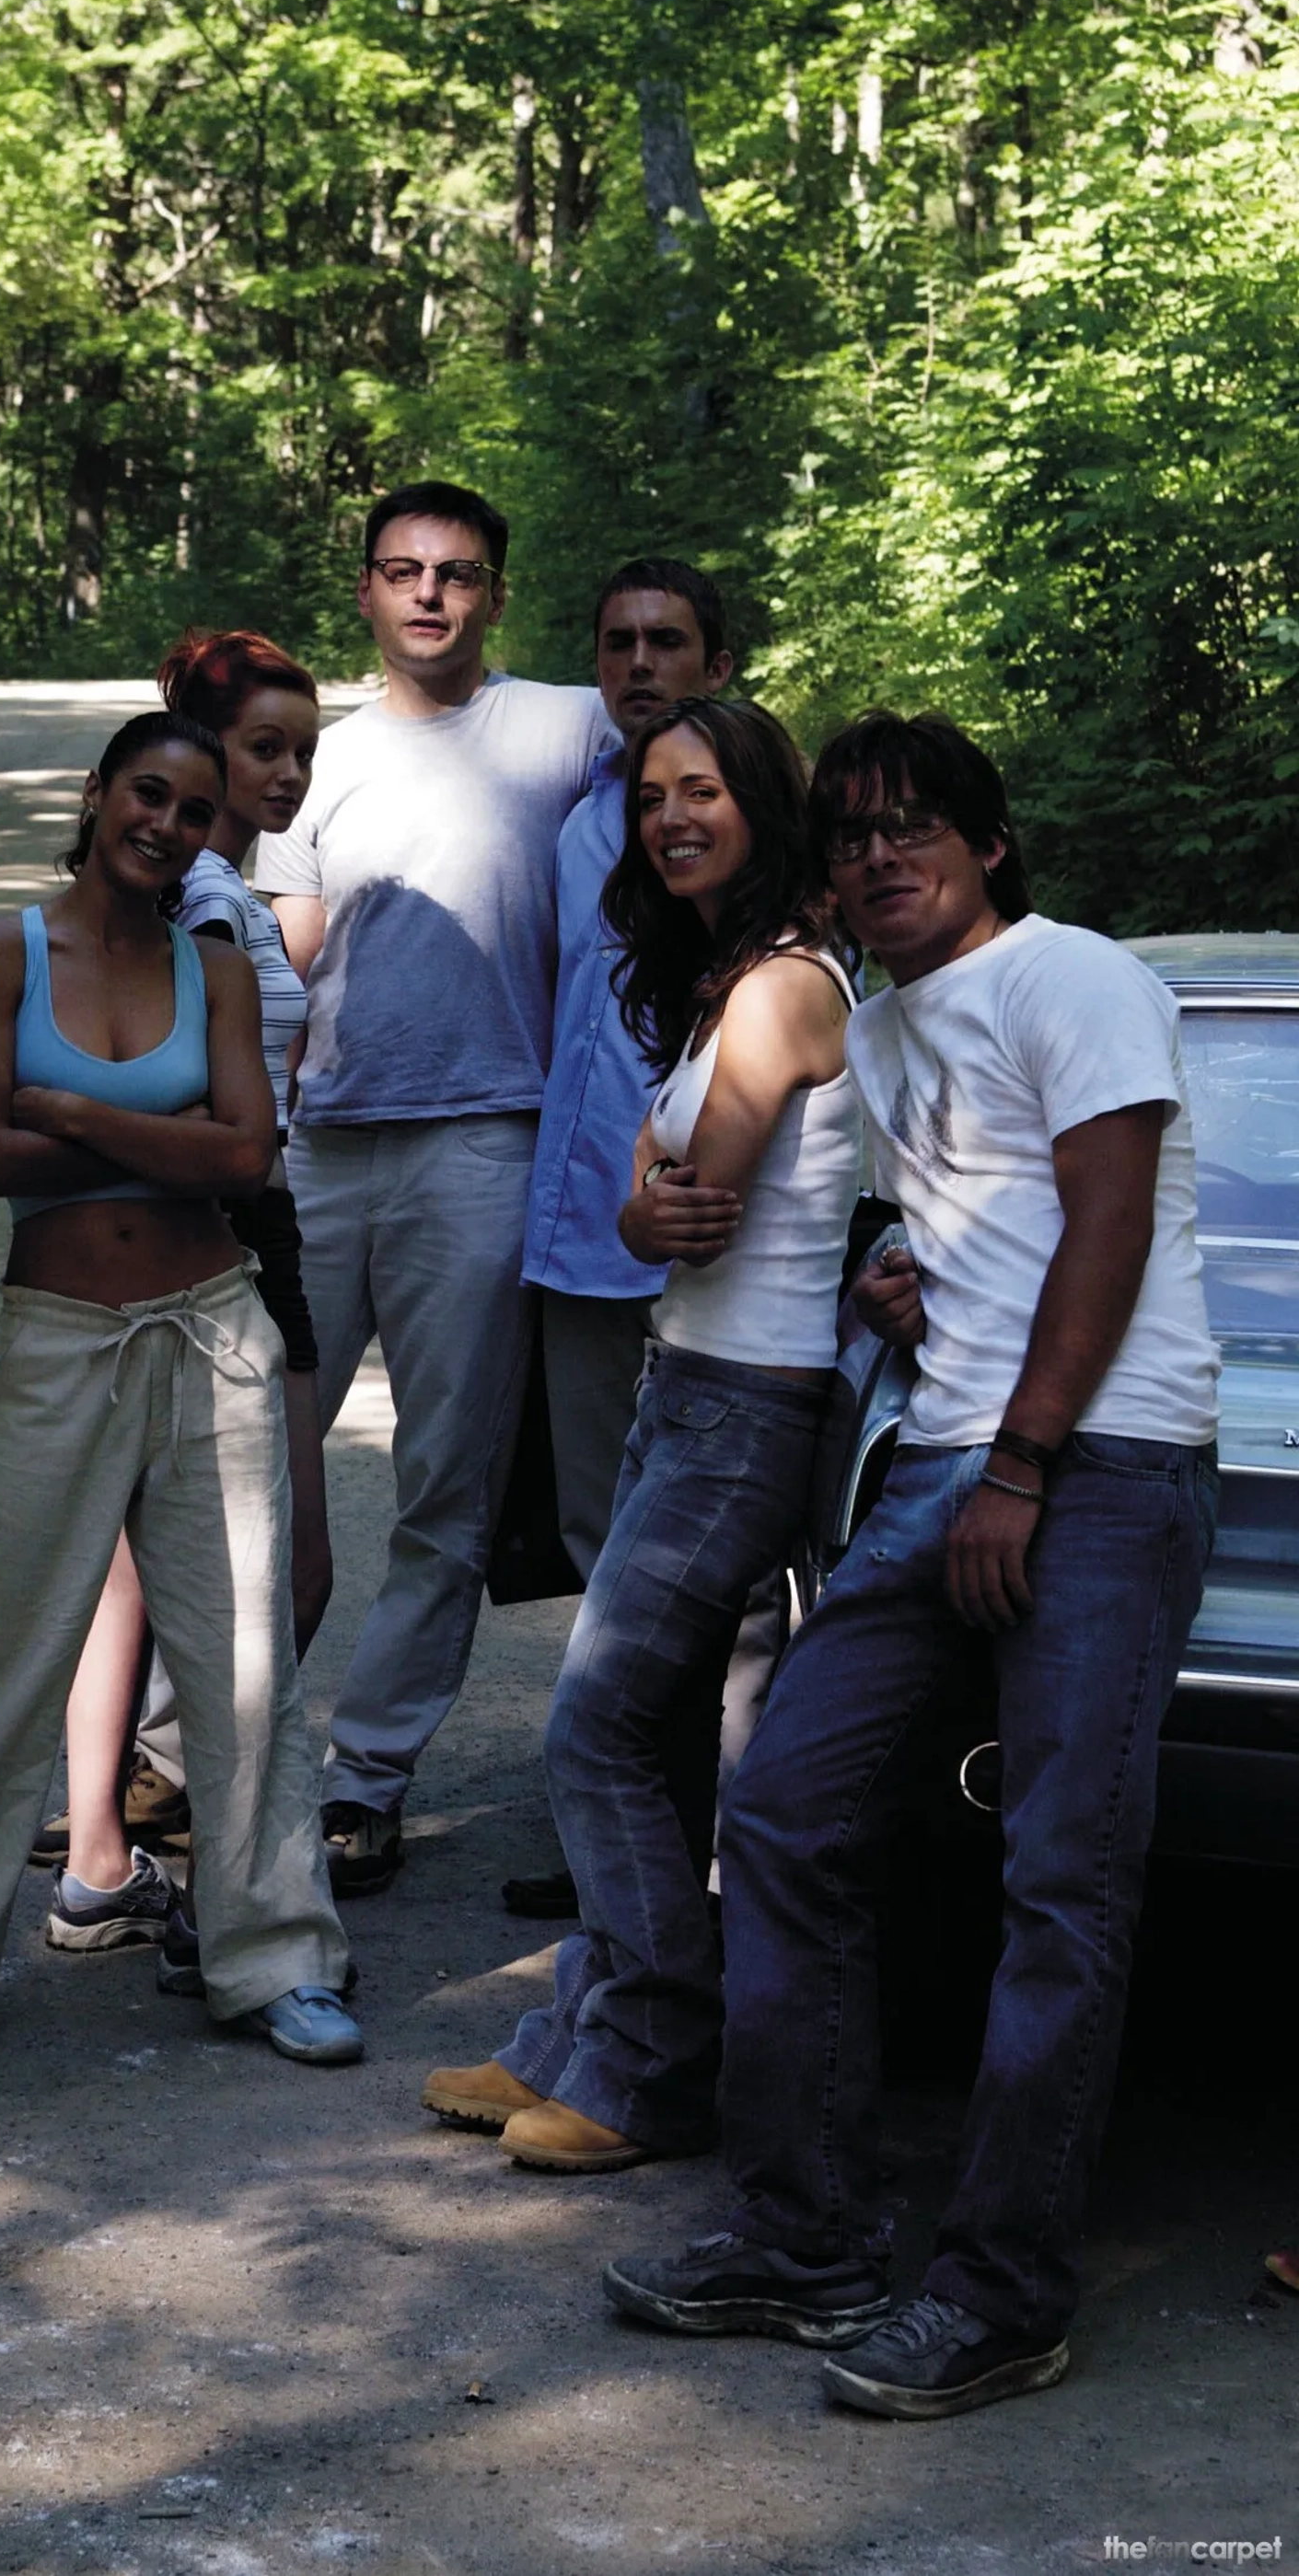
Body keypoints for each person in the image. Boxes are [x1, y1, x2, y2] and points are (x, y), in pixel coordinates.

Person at [603, 713, 1221, 2418]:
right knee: (790, 1808)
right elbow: (966, 1226)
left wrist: (1021, 1459)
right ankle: (804, 2233)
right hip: (946, 1460)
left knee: (1057, 1882)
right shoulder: (878, 1035)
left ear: (989, 843)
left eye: (918, 827)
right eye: (856, 835)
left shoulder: (1073, 975)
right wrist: (902, 1284)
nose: (882, 856)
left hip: (1094, 1463)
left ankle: (1004, 2288)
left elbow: (1108, 1220)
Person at [0, 710, 360, 2067]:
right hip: (60, 1336)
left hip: (211, 1331)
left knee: (242, 1659)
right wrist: (153, 1137)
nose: (165, 825)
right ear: (99, 792)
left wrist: (73, 1114)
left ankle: (274, 1952)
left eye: (192, 808)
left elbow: (243, 1157)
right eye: (148, 794)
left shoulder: (213, 964)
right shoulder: (2, 949)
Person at [422, 699, 861, 2170]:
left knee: (596, 1725)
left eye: (706, 791)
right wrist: (643, 1180)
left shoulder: (786, 981)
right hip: (690, 1386)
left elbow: (691, 1206)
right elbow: (648, 1195)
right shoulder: (721, 977)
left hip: (750, 1407)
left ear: (763, 802)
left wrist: (646, 1178)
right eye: (658, 794)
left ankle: (660, 2052)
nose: (674, 816)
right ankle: (582, 2030)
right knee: (659, 1728)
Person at [254, 479, 612, 1894]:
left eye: (457, 573)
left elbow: (700, 814)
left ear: (494, 593)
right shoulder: (321, 761)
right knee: (245, 1468)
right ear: (364, 590)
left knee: (443, 1487)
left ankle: (366, 1776)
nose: (429, 596)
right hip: (321, 1147)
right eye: (402, 571)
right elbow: (289, 953)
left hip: (491, 1140)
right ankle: (202, 1754)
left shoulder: (570, 727)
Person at [36, 630, 332, 1985]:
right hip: (228, 1239)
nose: (288, 774)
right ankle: (219, 1870)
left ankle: (107, 1853)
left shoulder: (230, 891)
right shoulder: (205, 903)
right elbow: (229, 1131)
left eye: (300, 753)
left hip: (233, 1215)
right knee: (270, 1578)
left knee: (133, 1578)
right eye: (262, 750)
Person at [506, 558, 785, 1923]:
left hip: (706, 1257)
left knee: (700, 1579)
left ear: (716, 662)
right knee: (597, 1544)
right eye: (615, 641)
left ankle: (698, 1843)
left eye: (667, 641)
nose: (638, 664)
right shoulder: (575, 825)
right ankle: (615, 1826)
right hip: (579, 1236)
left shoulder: (753, 846)